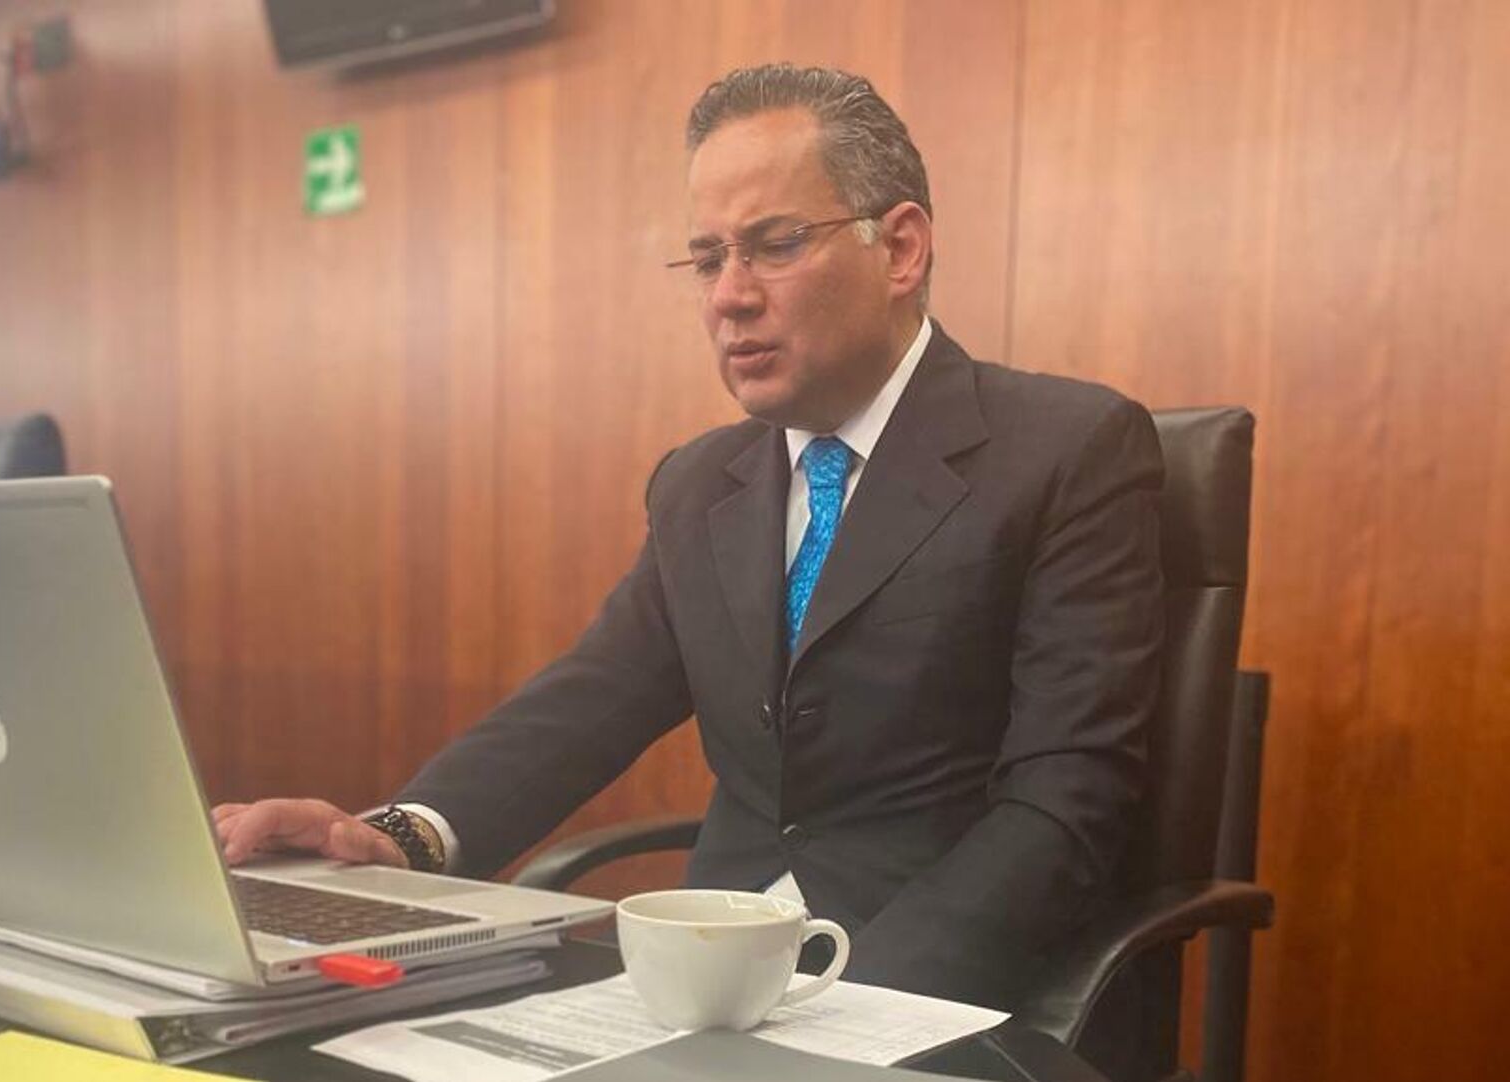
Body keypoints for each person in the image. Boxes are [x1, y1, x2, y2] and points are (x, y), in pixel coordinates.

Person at [214, 63, 1165, 1009]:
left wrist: (850, 1014)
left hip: (940, 997)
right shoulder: (700, 483)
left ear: (901, 249)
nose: (729, 297)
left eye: (775, 245)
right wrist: (399, 837)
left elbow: (1063, 803)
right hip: (706, 986)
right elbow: (592, 701)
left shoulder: (1067, 451)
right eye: (709, 259)